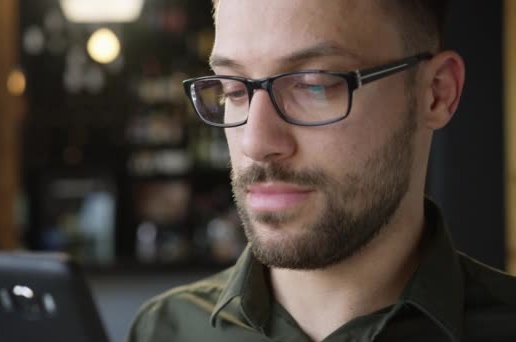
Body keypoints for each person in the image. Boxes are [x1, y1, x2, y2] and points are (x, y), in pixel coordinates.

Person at [127, 1, 516, 341]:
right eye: (234, 90)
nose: (255, 143)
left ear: (436, 92)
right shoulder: (164, 330)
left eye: (314, 85)